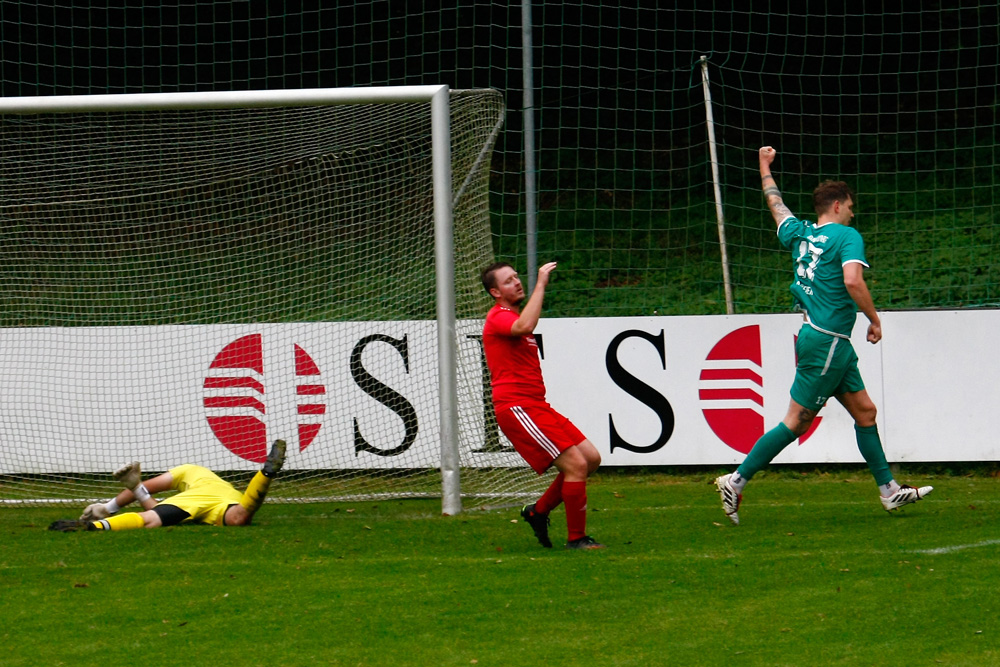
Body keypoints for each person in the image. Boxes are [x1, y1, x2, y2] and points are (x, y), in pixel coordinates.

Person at [714, 146, 933, 525]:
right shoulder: (847, 237)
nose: (852, 211)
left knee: (865, 412)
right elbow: (852, 279)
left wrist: (764, 168)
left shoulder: (801, 234)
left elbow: (776, 206)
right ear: (836, 206)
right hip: (827, 338)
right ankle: (735, 480)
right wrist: (874, 319)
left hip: (830, 343)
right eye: (849, 206)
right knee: (797, 419)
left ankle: (889, 492)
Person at [481, 261, 604, 550]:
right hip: (517, 407)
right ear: (495, 292)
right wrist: (541, 284)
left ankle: (537, 512)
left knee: (591, 459)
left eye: (516, 277)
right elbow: (525, 325)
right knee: (576, 465)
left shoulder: (512, 315)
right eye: (508, 281)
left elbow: (524, 324)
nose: (517, 282)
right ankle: (577, 539)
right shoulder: (498, 316)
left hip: (536, 405)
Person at [48, 439, 286, 531]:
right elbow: (149, 496)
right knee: (240, 516)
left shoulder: (188, 472)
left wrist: (111, 506)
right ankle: (265, 474)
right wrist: (135, 488)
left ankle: (98, 526)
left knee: (150, 519)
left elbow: (148, 490)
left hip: (198, 502)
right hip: (229, 501)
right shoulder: (202, 474)